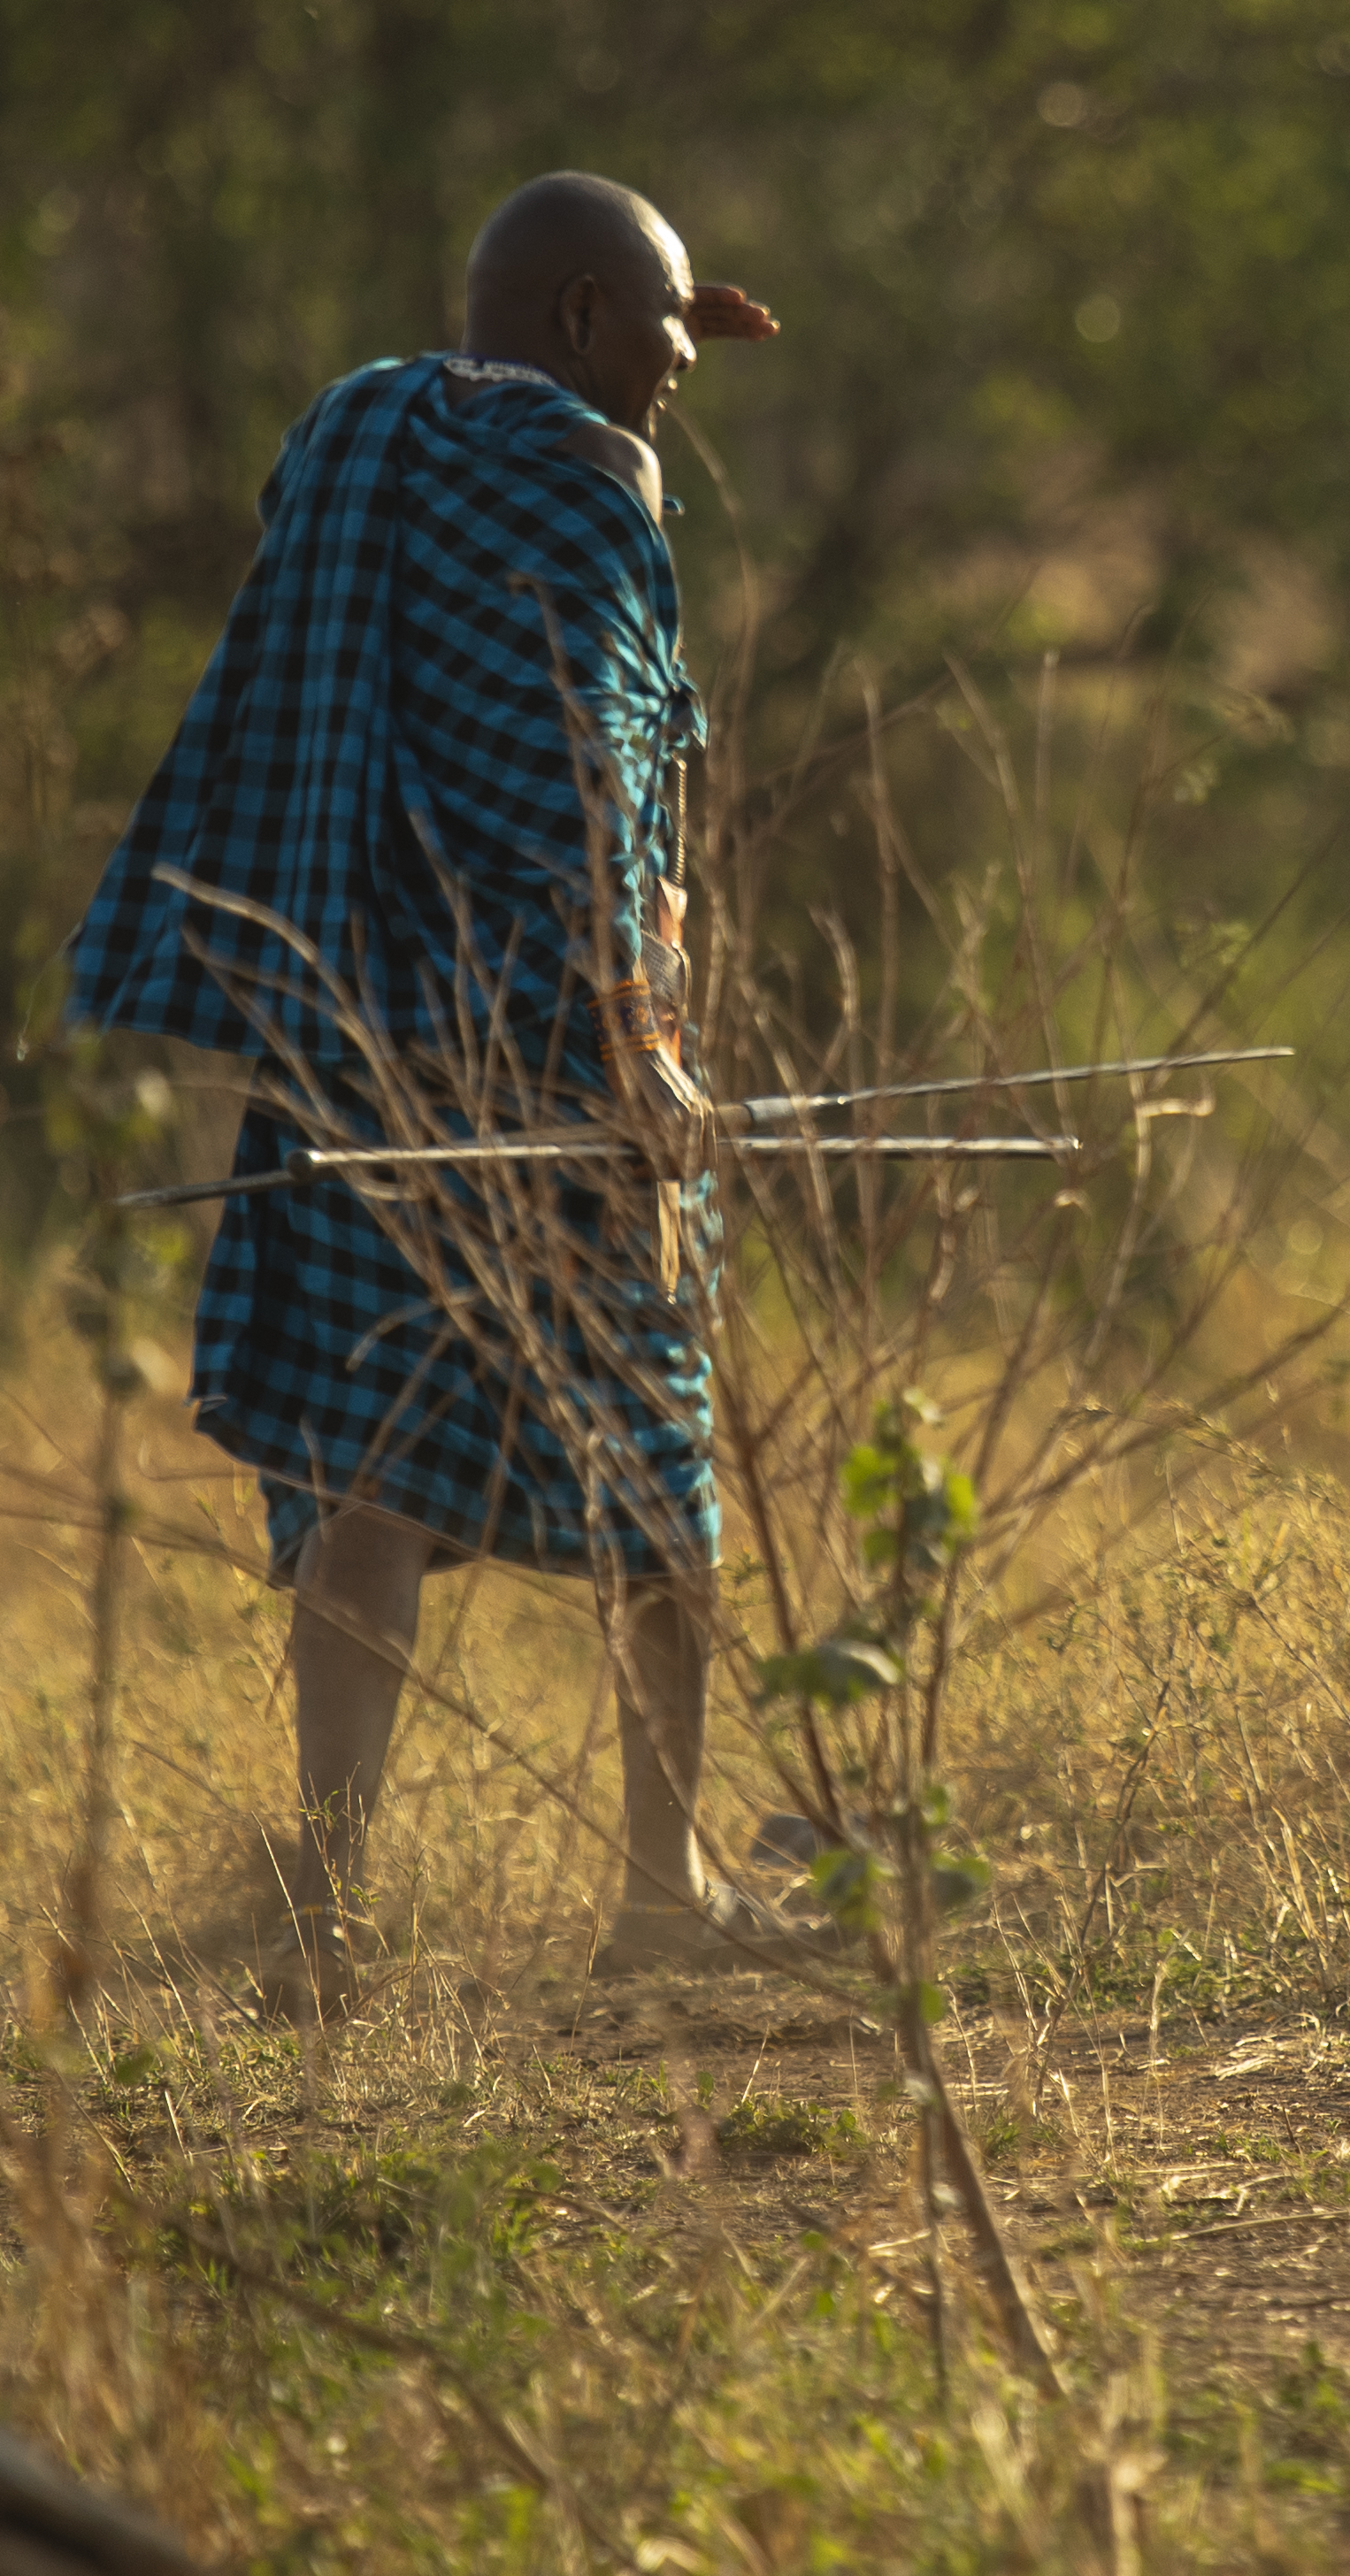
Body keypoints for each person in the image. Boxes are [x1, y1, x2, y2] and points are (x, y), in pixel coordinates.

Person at [65, 172, 794, 2007]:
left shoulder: (375, 436)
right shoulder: (590, 487)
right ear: (573, 325)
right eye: (660, 333)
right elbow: (595, 800)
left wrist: (668, 317)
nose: (681, 380)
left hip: (358, 1044)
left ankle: (322, 1921)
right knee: (660, 1487)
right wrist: (647, 1071)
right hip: (556, 1074)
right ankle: (656, 1896)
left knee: (368, 1477)